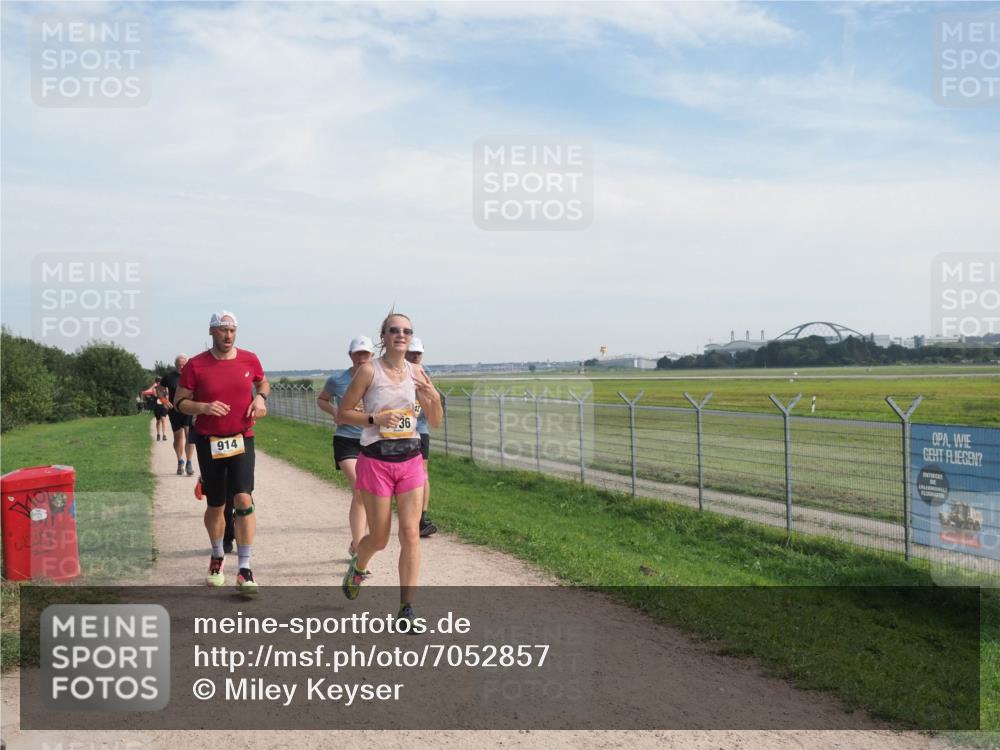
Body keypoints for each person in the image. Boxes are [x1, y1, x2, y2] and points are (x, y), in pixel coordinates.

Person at [339, 313, 442, 622]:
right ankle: (359, 564)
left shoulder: (418, 372)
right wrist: (375, 419)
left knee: (411, 533)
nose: (401, 334)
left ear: (411, 337)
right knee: (380, 538)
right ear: (383, 336)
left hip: (410, 458)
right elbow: (343, 414)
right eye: (394, 330)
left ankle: (406, 607)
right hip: (376, 461)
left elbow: (434, 421)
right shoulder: (369, 371)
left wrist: (433, 397)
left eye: (407, 331)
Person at [173, 311, 269, 595]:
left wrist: (261, 398)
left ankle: (245, 567)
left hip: (242, 437)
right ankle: (217, 556)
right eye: (222, 330)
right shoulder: (196, 365)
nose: (227, 335)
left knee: (242, 497)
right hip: (208, 439)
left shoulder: (249, 359)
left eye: (232, 330)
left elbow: (262, 382)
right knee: (216, 504)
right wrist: (203, 407)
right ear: (211, 331)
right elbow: (179, 402)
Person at [317, 336, 375, 558]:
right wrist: (335, 412)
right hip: (346, 441)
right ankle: (360, 549)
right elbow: (322, 399)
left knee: (370, 494)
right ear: (350, 355)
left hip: (370, 441)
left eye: (365, 354)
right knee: (360, 490)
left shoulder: (376, 379)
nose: (361, 358)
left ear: (372, 356)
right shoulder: (338, 379)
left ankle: (356, 542)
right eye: (357, 354)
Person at [405, 337, 438, 538]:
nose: (416, 356)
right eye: (412, 353)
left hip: (421, 428)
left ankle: (421, 519)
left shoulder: (426, 374)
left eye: (419, 353)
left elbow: (433, 401)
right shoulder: (396, 372)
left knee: (423, 470)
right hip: (399, 431)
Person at [161, 354, 196, 476]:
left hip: (189, 409)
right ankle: (180, 460)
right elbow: (159, 389)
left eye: (183, 364)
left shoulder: (192, 375)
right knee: (178, 437)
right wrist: (164, 400)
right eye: (178, 364)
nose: (181, 366)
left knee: (190, 436)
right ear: (175, 364)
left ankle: (189, 462)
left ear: (187, 364)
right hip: (174, 410)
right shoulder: (169, 377)